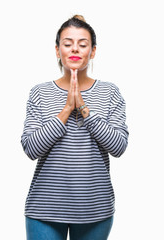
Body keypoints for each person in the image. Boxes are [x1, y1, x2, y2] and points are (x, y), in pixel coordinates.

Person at [21, 15, 129, 240]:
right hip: (44, 209)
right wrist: (67, 109)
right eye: (67, 44)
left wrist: (84, 108)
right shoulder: (39, 93)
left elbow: (119, 147)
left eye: (82, 44)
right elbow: (31, 149)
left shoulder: (110, 92)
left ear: (93, 51)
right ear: (57, 49)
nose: (75, 50)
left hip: (95, 209)